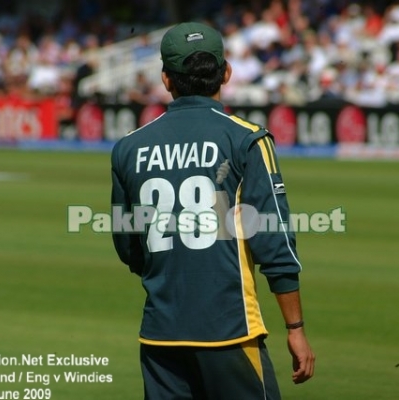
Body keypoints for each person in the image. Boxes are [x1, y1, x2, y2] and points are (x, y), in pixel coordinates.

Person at [111, 22, 315, 399]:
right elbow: (275, 241)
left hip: (160, 336)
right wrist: (296, 327)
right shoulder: (247, 138)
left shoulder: (128, 147)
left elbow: (128, 246)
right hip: (229, 331)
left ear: (166, 79)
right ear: (226, 73)